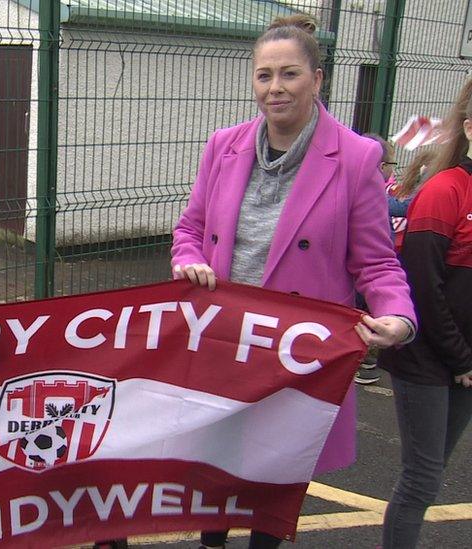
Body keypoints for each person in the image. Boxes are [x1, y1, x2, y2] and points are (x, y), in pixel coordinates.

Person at [170, 14, 416, 549]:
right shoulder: (224, 145)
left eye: (289, 74)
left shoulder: (355, 158)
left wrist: (399, 316)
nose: (275, 89)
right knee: (216, 464)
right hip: (224, 338)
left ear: (317, 79)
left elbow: (375, 263)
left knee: (276, 477)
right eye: (263, 76)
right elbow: (190, 228)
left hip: (298, 350)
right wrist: (188, 260)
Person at [379, 78, 472, 549]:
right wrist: (462, 360)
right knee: (420, 478)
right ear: (470, 129)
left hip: (464, 363)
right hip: (428, 357)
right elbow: (422, 288)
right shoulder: (445, 191)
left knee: (432, 476)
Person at [353, 134, 398, 385]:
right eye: (392, 165)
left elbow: (379, 262)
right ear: (382, 167)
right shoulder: (379, 197)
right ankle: (362, 361)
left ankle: (364, 361)